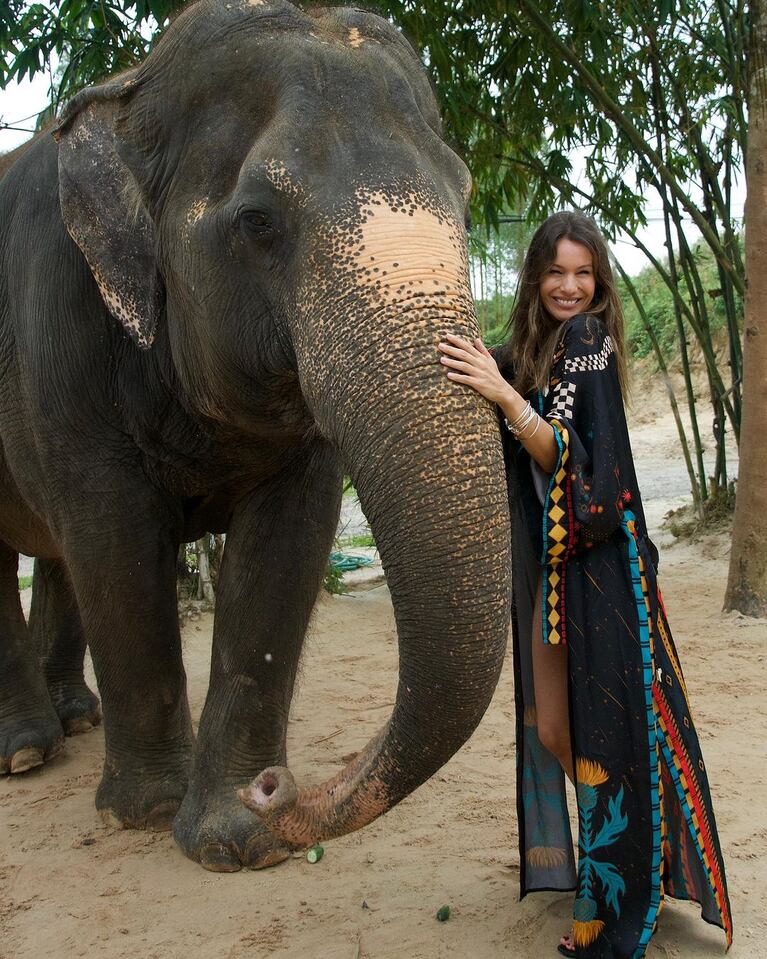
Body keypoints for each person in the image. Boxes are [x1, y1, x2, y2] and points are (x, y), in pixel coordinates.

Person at [437, 212, 732, 959]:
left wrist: (505, 401)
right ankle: (635, 853)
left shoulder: (588, 342)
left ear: (597, 279)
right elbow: (489, 378)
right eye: (556, 272)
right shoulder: (534, 349)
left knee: (599, 733)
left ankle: (607, 902)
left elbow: (580, 468)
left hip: (601, 572)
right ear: (535, 277)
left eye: (583, 272)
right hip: (553, 570)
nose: (571, 287)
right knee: (556, 730)